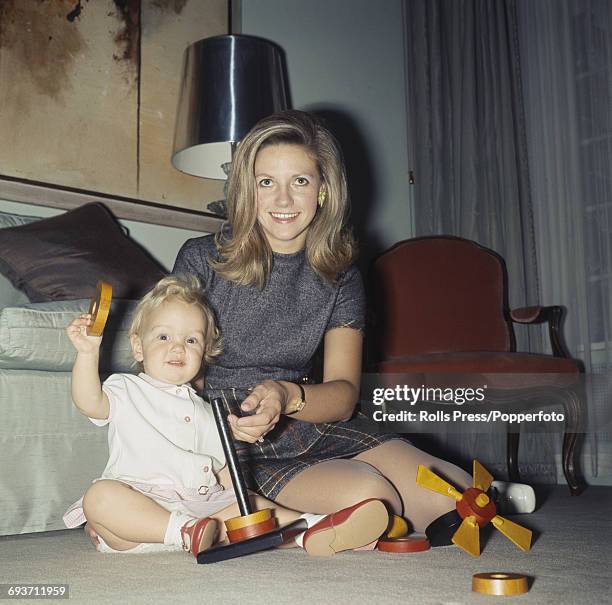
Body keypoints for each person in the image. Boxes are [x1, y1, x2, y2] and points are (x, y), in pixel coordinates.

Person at [171, 110, 474, 533]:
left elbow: (344, 393)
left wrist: (285, 394)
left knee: (459, 497)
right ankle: (294, 519)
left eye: (300, 181)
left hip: (305, 412)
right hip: (228, 436)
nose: (282, 200)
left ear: (323, 190)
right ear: (246, 189)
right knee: (373, 498)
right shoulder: (201, 258)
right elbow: (169, 374)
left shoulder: (341, 274)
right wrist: (207, 441)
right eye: (266, 182)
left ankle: (314, 518)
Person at [63, 274, 390, 557]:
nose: (178, 348)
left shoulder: (207, 411)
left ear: (204, 354)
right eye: (164, 337)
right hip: (141, 518)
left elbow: (219, 471)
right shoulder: (125, 388)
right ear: (138, 347)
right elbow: (89, 401)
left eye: (191, 340)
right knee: (100, 498)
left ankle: (314, 528)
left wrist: (239, 497)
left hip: (201, 513)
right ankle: (182, 532)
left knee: (251, 505)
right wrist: (87, 354)